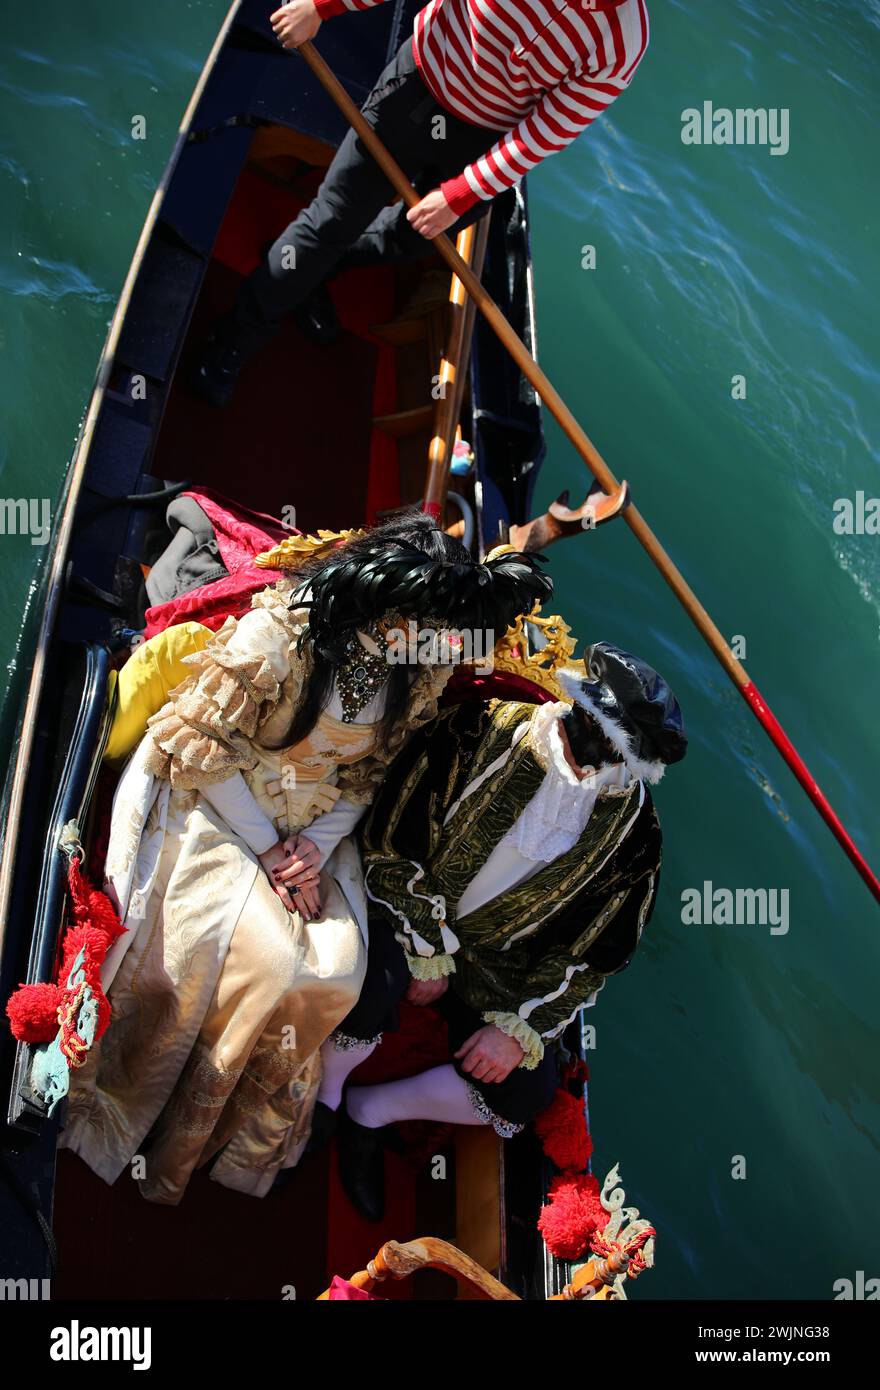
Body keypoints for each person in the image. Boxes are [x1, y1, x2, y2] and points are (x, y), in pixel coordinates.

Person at [61, 512, 551, 1202]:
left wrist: (310, 854)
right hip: (216, 796)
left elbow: (368, 777)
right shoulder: (282, 632)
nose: (439, 639)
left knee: (334, 973)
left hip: (315, 830)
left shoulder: (421, 665)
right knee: (272, 959)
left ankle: (205, 1133)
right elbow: (199, 741)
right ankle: (123, 1108)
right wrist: (266, 845)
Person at [313, 642, 685, 1221]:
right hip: (411, 907)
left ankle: (369, 1110)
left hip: (497, 971)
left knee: (526, 1091)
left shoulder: (636, 835)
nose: (594, 756)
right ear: (580, 710)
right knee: (377, 982)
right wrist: (427, 944)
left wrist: (520, 1027)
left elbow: (594, 956)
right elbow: (391, 839)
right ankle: (327, 1094)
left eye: (615, 750)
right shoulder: (477, 731)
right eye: (592, 731)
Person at [194, 0, 650, 405]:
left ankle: (313, 272)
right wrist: (322, 7)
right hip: (418, 85)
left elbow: (546, 131)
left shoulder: (625, 41)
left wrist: (460, 194)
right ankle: (233, 338)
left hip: (481, 141)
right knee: (330, 222)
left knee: (415, 243)